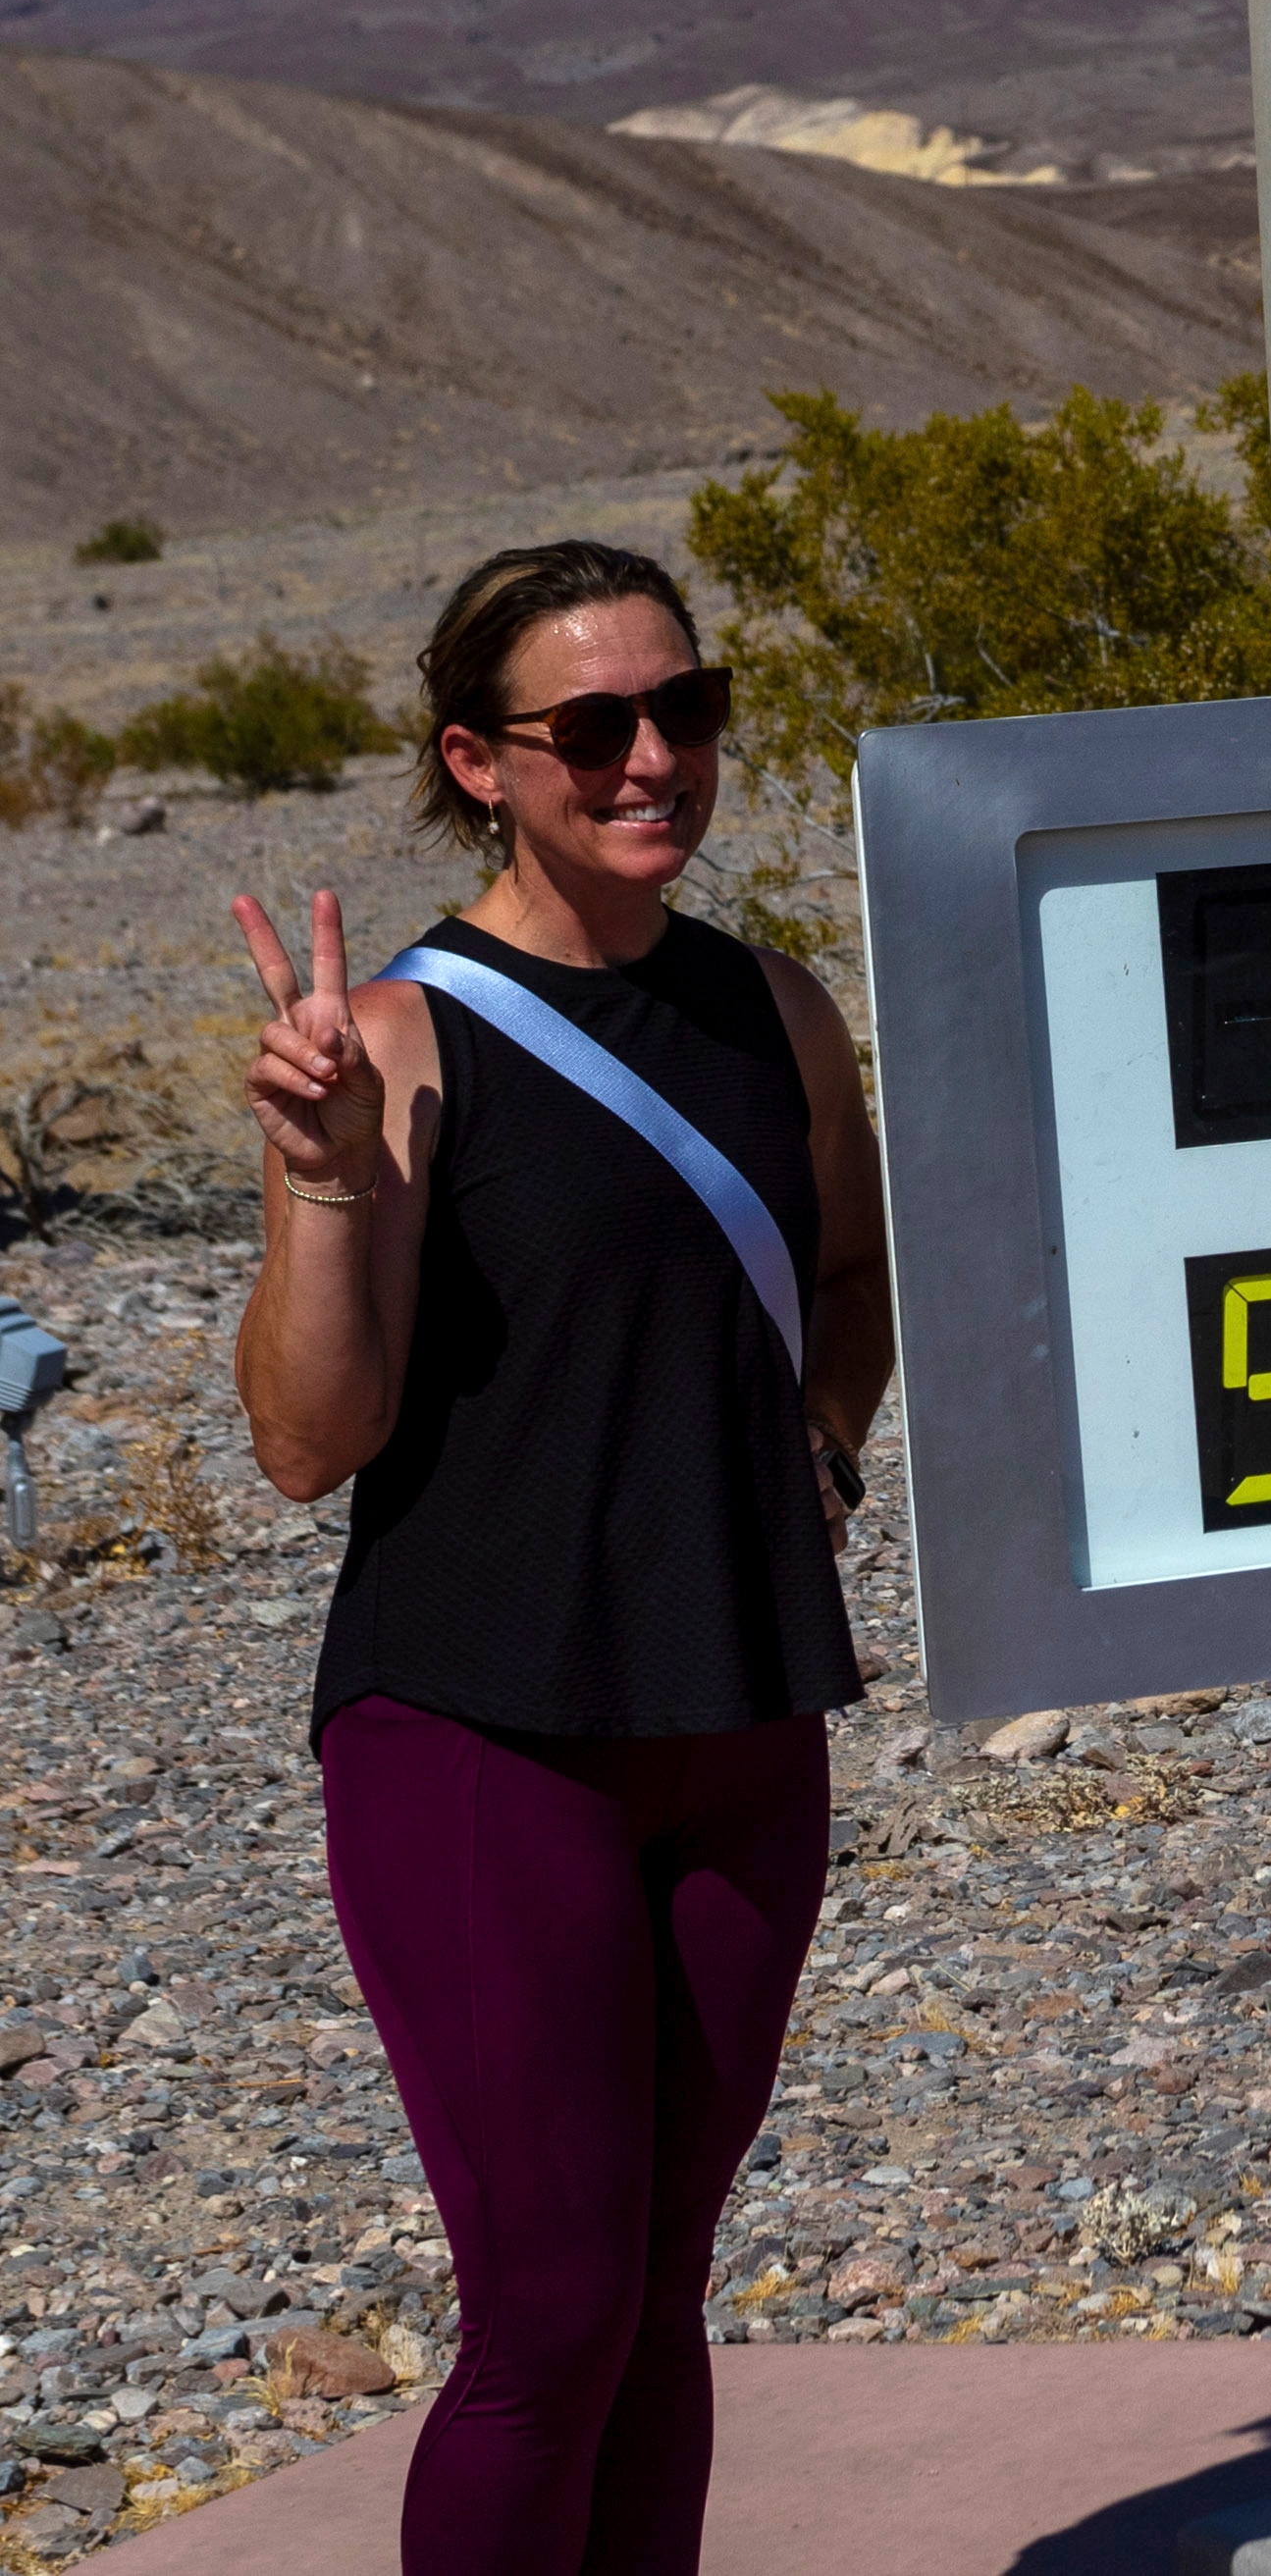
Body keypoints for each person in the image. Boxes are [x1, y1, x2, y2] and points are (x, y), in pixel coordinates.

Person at [232, 540, 889, 2576]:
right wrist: (331, 1187)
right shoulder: (403, 1045)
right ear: (479, 763)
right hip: (481, 1740)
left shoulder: (770, 1007)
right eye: (590, 728)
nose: (651, 759)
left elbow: (849, 1281)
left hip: (738, 1725)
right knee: (546, 2317)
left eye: (684, 709)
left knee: (660, 2296)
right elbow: (300, 1440)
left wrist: (811, 1472)